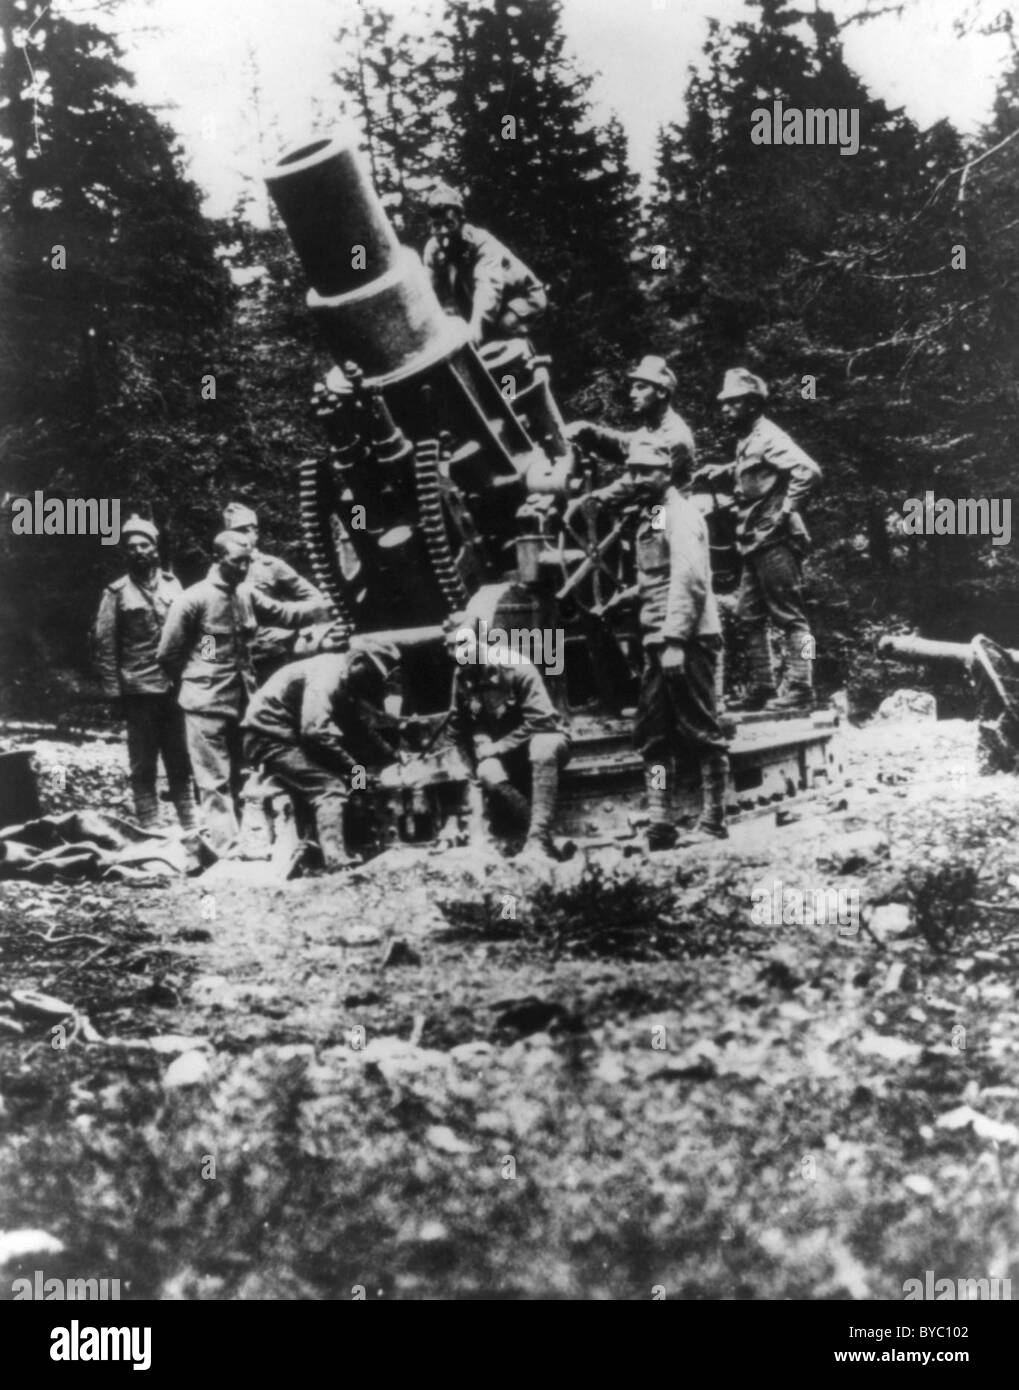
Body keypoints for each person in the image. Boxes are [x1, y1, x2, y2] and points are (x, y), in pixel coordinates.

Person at [156, 531, 332, 855]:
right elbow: (169, 653)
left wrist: (329, 606)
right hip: (205, 704)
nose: (244, 568)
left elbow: (286, 614)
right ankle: (226, 847)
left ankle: (245, 844)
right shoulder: (194, 599)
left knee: (241, 777)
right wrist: (197, 676)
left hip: (241, 702)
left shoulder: (246, 595)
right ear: (217, 559)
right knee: (213, 781)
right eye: (237, 562)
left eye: (248, 561)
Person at [697, 369, 821, 711]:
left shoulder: (768, 436)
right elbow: (757, 471)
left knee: (792, 618)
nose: (725, 410)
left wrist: (786, 510)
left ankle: (801, 687)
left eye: (733, 403)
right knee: (748, 615)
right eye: (724, 404)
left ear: (752, 405)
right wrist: (723, 470)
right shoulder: (748, 439)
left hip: (776, 539)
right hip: (754, 539)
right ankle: (763, 687)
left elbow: (808, 471)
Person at [627, 443, 729, 849]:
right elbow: (660, 573)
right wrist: (630, 595)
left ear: (665, 473)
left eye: (645, 472)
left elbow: (690, 578)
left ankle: (713, 822)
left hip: (686, 641)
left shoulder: (681, 515)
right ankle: (660, 823)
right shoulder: (656, 515)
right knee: (653, 737)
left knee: (702, 730)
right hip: (658, 641)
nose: (637, 480)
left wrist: (674, 642)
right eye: (632, 472)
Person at [241, 639, 402, 871]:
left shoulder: (345, 679)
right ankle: (336, 864)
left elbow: (357, 728)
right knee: (330, 787)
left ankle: (338, 846)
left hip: (287, 737)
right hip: (268, 737)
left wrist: (392, 757)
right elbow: (314, 732)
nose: (370, 682)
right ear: (357, 661)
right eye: (370, 673)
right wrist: (358, 772)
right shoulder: (328, 675)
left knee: (352, 780)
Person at [93, 516, 197, 833]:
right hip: (138, 691)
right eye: (131, 546)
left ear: (155, 548)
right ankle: (150, 826)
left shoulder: (173, 585)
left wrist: (201, 669)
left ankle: (190, 824)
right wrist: (114, 694)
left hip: (174, 688)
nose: (139, 551)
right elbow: (105, 646)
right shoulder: (116, 593)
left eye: (144, 544)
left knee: (180, 758)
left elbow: (191, 632)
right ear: (124, 553)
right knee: (143, 763)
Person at [445, 618, 570, 861]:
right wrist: (470, 774)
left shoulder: (516, 668)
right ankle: (545, 836)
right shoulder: (462, 675)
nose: (455, 653)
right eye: (450, 646)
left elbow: (542, 722)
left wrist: (498, 746)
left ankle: (536, 842)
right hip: (506, 756)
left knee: (543, 746)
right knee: (487, 770)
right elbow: (457, 728)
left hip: (547, 742)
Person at [422, 185, 547, 345]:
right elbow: (431, 293)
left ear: (461, 221)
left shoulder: (481, 241)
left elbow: (488, 285)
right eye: (436, 225)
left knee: (506, 325)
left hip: (522, 298)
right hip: (484, 304)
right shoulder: (433, 250)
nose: (443, 231)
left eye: (449, 223)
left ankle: (532, 361)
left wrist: (476, 327)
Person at [220, 502, 325, 685]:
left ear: (256, 533)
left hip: (271, 656)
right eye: (236, 531)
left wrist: (294, 630)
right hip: (232, 664)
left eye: (246, 530)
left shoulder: (271, 566)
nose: (242, 537)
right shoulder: (210, 582)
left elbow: (317, 601)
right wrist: (209, 664)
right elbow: (207, 625)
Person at [565, 355, 697, 492]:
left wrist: (597, 499)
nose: (632, 394)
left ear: (662, 392)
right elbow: (624, 445)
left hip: (666, 509)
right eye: (633, 388)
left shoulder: (675, 436)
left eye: (641, 388)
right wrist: (589, 432)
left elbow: (644, 480)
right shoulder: (652, 428)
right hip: (650, 504)